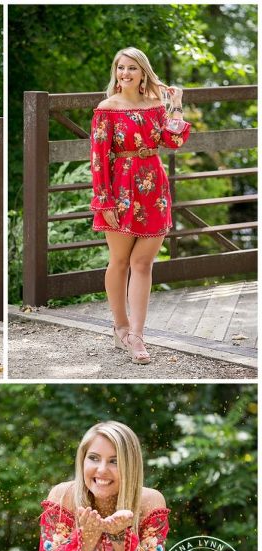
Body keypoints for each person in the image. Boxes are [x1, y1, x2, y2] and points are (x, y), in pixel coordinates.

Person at [90, 48, 191, 364]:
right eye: (121, 68)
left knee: (143, 263)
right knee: (119, 261)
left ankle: (137, 335)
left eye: (132, 68)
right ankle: (120, 327)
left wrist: (175, 106)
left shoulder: (157, 106)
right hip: (119, 190)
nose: (125, 73)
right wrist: (104, 199)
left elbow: (174, 142)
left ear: (143, 72)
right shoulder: (107, 109)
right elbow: (98, 159)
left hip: (154, 190)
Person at [37, 421, 169, 551]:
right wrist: (85, 541)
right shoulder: (63, 496)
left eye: (114, 461)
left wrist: (120, 539)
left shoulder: (149, 502)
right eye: (94, 458)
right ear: (82, 459)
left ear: (131, 465)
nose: (102, 470)